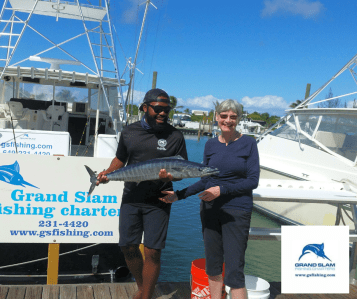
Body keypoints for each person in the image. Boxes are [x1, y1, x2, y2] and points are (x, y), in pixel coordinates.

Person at [160, 99, 259, 299]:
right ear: (216, 117)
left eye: (233, 116)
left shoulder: (248, 143)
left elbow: (252, 181)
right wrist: (178, 195)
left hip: (237, 212)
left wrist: (221, 189)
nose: (228, 120)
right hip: (210, 210)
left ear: (238, 119)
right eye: (224, 116)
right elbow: (205, 180)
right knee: (213, 267)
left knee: (234, 272)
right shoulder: (211, 144)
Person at [96, 88, 188, 299]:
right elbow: (120, 159)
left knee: (153, 251)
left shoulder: (175, 135)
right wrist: (107, 173)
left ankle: (146, 295)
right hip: (131, 197)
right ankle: (142, 286)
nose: (163, 113)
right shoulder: (129, 131)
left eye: (167, 109)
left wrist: (172, 177)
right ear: (145, 108)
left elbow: (182, 170)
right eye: (158, 109)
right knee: (128, 247)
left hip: (160, 199)